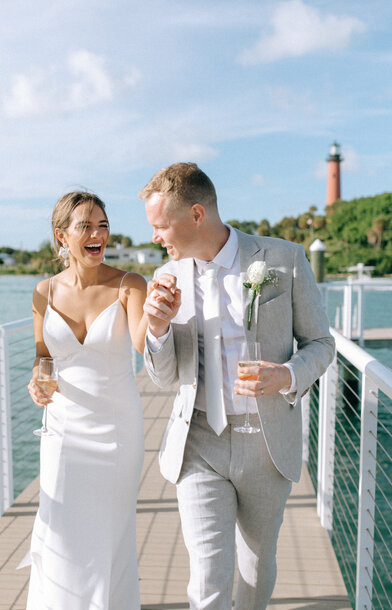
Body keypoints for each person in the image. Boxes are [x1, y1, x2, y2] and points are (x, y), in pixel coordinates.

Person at [140, 162, 335, 610]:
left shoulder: (283, 259)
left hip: (266, 445)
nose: (154, 237)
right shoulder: (167, 280)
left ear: (195, 215)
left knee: (254, 566)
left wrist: (286, 375)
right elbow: (164, 376)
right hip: (199, 442)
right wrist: (156, 329)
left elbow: (321, 343)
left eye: (159, 225)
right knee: (208, 574)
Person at [26, 191, 147, 610]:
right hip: (62, 430)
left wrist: (163, 315)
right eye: (85, 226)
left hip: (116, 430)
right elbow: (44, 358)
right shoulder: (43, 291)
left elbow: (142, 342)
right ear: (63, 236)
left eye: (103, 225)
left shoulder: (130, 285)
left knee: (109, 532)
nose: (98, 234)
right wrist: (38, 382)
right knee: (60, 526)